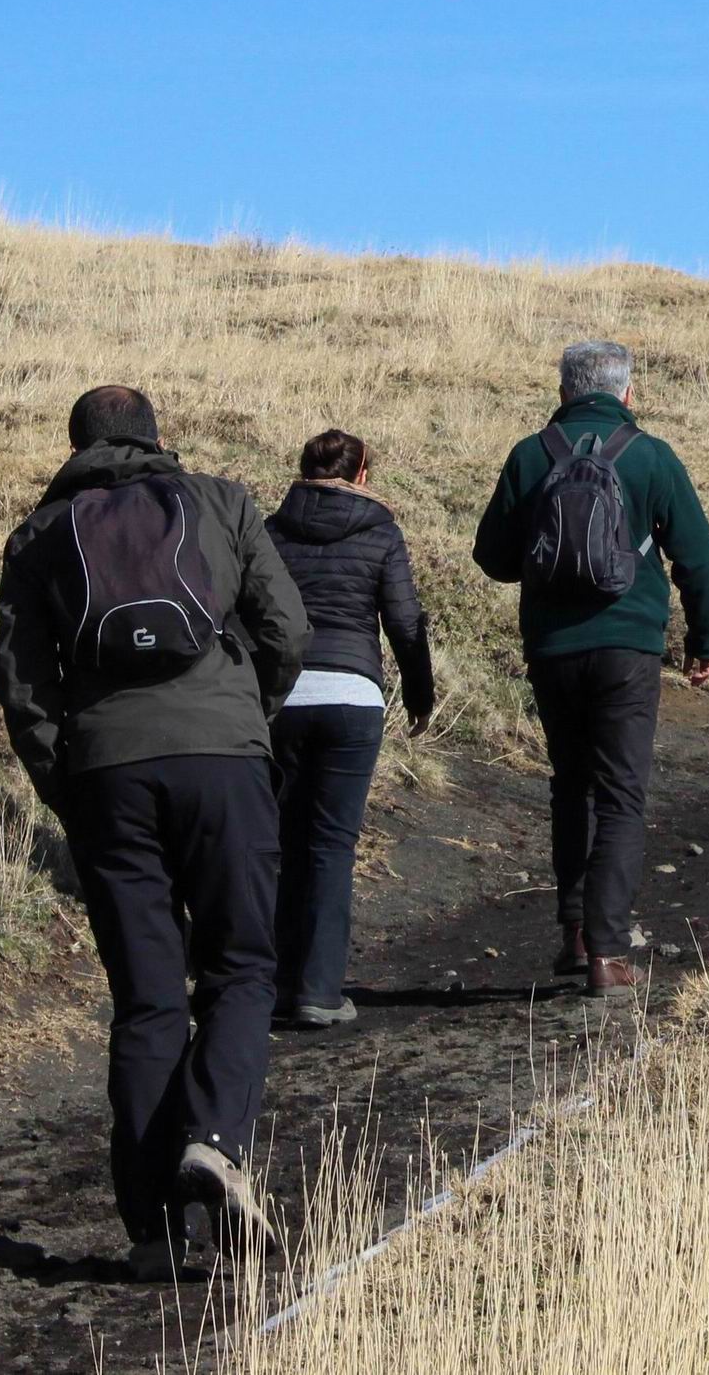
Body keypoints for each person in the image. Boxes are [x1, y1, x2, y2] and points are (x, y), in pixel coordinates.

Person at [0, 386, 310, 1279]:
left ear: (76, 445)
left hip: (105, 772)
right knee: (242, 965)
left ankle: (153, 1233)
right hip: (224, 759)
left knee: (146, 996)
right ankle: (214, 1139)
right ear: (157, 437)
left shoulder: (39, 533)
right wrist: (249, 713)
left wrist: (67, 777)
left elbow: (19, 681)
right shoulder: (221, 500)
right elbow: (289, 626)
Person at [472, 341, 709, 997]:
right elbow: (697, 558)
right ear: (626, 394)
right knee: (620, 794)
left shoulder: (531, 454)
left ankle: (575, 934)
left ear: (562, 390)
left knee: (572, 786)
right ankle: (607, 952)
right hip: (627, 650)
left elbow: (492, 558)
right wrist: (704, 640)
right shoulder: (650, 456)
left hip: (551, 650)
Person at [264, 431, 436, 1029]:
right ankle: (318, 991)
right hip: (353, 699)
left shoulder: (270, 529)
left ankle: (274, 983)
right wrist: (420, 698)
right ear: (363, 473)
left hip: (280, 701)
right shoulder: (381, 532)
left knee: (282, 843)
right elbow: (405, 622)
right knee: (331, 845)